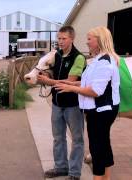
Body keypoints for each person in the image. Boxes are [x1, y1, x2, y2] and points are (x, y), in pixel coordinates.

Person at [54, 26, 120, 180]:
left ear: (99, 40)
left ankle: (98, 177)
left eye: (90, 39)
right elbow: (86, 83)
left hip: (101, 111)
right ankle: (106, 178)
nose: (87, 42)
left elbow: (95, 91)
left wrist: (71, 89)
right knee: (103, 144)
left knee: (97, 147)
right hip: (100, 110)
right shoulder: (100, 59)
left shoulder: (104, 62)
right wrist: (70, 85)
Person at [37, 26, 86, 180]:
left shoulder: (78, 57)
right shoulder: (57, 55)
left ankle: (74, 173)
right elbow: (54, 72)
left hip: (73, 105)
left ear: (72, 39)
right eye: (59, 38)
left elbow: (70, 82)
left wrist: (48, 81)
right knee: (58, 137)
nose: (60, 41)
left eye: (64, 38)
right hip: (57, 104)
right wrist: (45, 73)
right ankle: (61, 167)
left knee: (77, 139)